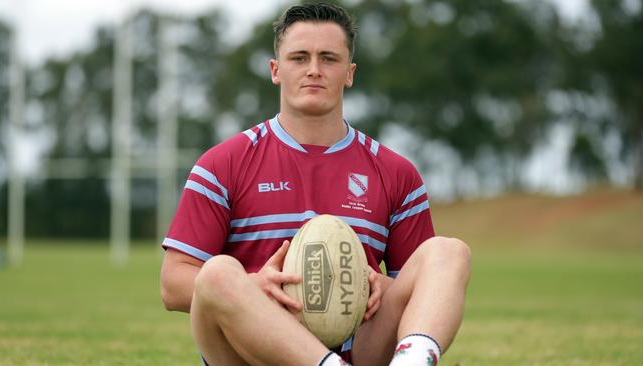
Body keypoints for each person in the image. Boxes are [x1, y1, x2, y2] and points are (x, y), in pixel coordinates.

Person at [160, 3, 471, 366]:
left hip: (361, 346)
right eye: (299, 58)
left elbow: (417, 290)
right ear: (275, 70)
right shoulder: (222, 164)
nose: (313, 70)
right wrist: (253, 285)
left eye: (328, 58)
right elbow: (173, 286)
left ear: (349, 73)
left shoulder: (395, 173)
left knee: (449, 251)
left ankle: (414, 361)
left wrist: (366, 284)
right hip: (250, 353)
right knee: (216, 273)